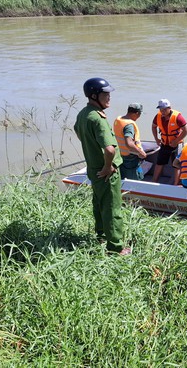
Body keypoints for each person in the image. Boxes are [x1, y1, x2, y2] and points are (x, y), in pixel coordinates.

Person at [74, 77, 131, 256]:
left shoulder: (84, 114)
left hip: (93, 168)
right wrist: (108, 167)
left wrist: (91, 146)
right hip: (106, 171)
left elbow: (78, 131)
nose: (109, 98)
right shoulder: (98, 119)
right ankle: (116, 247)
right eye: (105, 94)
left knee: (99, 203)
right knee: (112, 208)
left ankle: (101, 235)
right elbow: (109, 149)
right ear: (94, 95)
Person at [151, 98, 187, 184]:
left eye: (165, 109)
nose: (163, 111)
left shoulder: (178, 117)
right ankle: (154, 181)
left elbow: (186, 130)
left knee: (176, 165)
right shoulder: (158, 116)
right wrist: (156, 138)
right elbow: (153, 126)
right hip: (164, 143)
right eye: (161, 109)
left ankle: (176, 184)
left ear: (169, 108)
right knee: (159, 162)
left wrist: (176, 141)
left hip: (176, 144)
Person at [113, 103, 148, 180]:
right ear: (137, 113)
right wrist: (140, 152)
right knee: (137, 179)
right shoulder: (129, 125)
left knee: (123, 177)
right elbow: (129, 143)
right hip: (130, 157)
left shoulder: (119, 120)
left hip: (120, 154)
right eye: (140, 114)